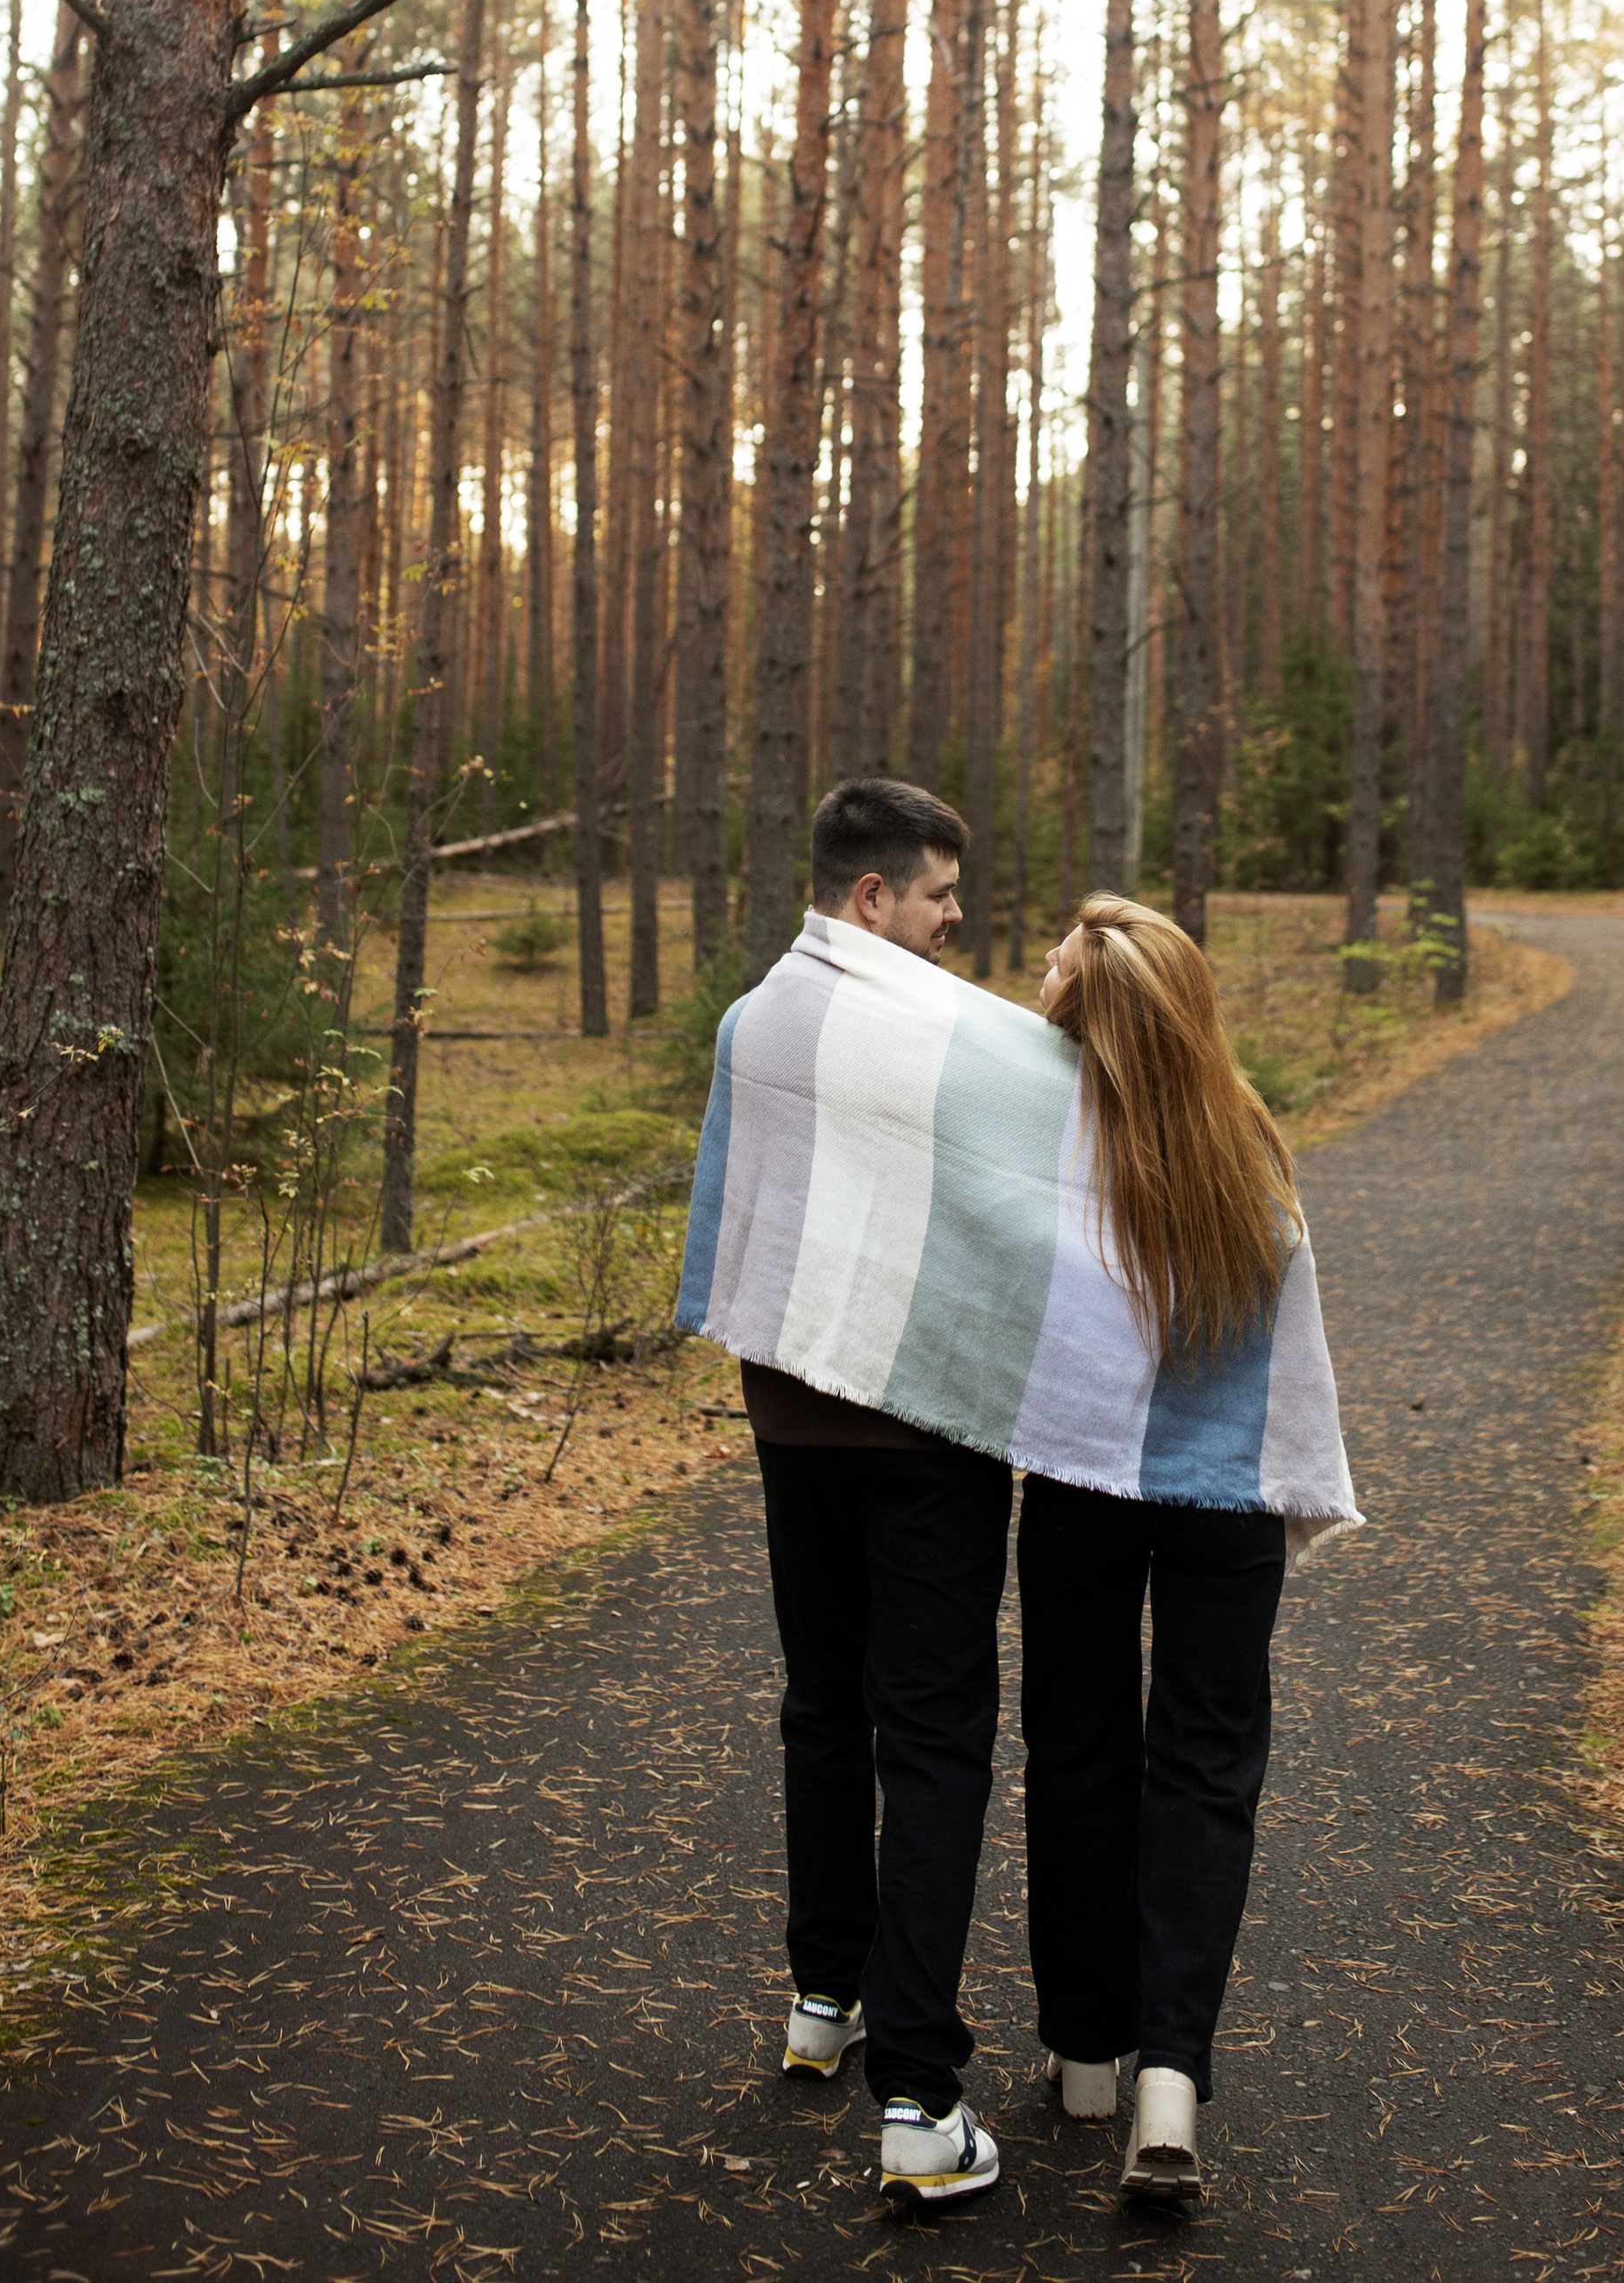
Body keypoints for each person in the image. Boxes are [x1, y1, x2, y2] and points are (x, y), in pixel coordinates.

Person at [740, 776, 1009, 2214]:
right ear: (871, 899)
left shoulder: (749, 1022)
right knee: (940, 1738)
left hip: (794, 1425)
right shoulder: (952, 1036)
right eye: (940, 900)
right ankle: (918, 2096)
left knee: (822, 1707)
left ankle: (821, 1998)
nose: (955, 924)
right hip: (935, 1431)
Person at [1019, 894, 1303, 2205]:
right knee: (1204, 1767)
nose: (1035, 979)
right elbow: (1290, 1351)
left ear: (1083, 1013)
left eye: (1053, 970)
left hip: (1079, 1485)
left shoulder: (1035, 1138)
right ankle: (1169, 2081)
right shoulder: (1249, 1142)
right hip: (1227, 1499)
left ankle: (1085, 2053)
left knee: (1079, 1747)